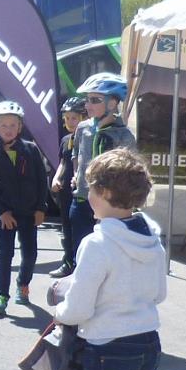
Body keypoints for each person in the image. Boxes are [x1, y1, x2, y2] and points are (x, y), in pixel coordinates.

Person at [50, 148, 166, 370]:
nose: (86, 195)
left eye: (90, 189)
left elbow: (78, 308)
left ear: (103, 192)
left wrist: (60, 311)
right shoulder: (152, 237)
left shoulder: (97, 242)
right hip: (147, 343)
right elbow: (159, 294)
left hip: (108, 349)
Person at [0, 100, 48, 316]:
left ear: (20, 127)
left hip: (29, 213)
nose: (8, 130)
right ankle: (0, 296)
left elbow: (41, 180)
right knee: (4, 255)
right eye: (3, 126)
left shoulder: (31, 150)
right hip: (7, 215)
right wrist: (2, 212)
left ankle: (23, 284)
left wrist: (40, 208)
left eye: (12, 125)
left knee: (29, 255)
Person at [69, 72, 136, 266]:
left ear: (112, 104)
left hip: (109, 206)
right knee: (80, 255)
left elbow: (129, 174)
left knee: (105, 259)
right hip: (82, 200)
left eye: (95, 100)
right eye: (87, 100)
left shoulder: (124, 136)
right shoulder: (83, 128)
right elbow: (76, 154)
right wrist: (77, 175)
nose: (88, 105)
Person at [49, 95, 87, 278]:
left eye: (74, 118)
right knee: (66, 227)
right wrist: (55, 179)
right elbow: (63, 162)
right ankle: (67, 261)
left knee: (82, 228)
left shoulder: (88, 138)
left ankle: (81, 265)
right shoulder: (66, 140)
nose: (70, 122)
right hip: (66, 189)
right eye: (67, 118)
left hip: (82, 189)